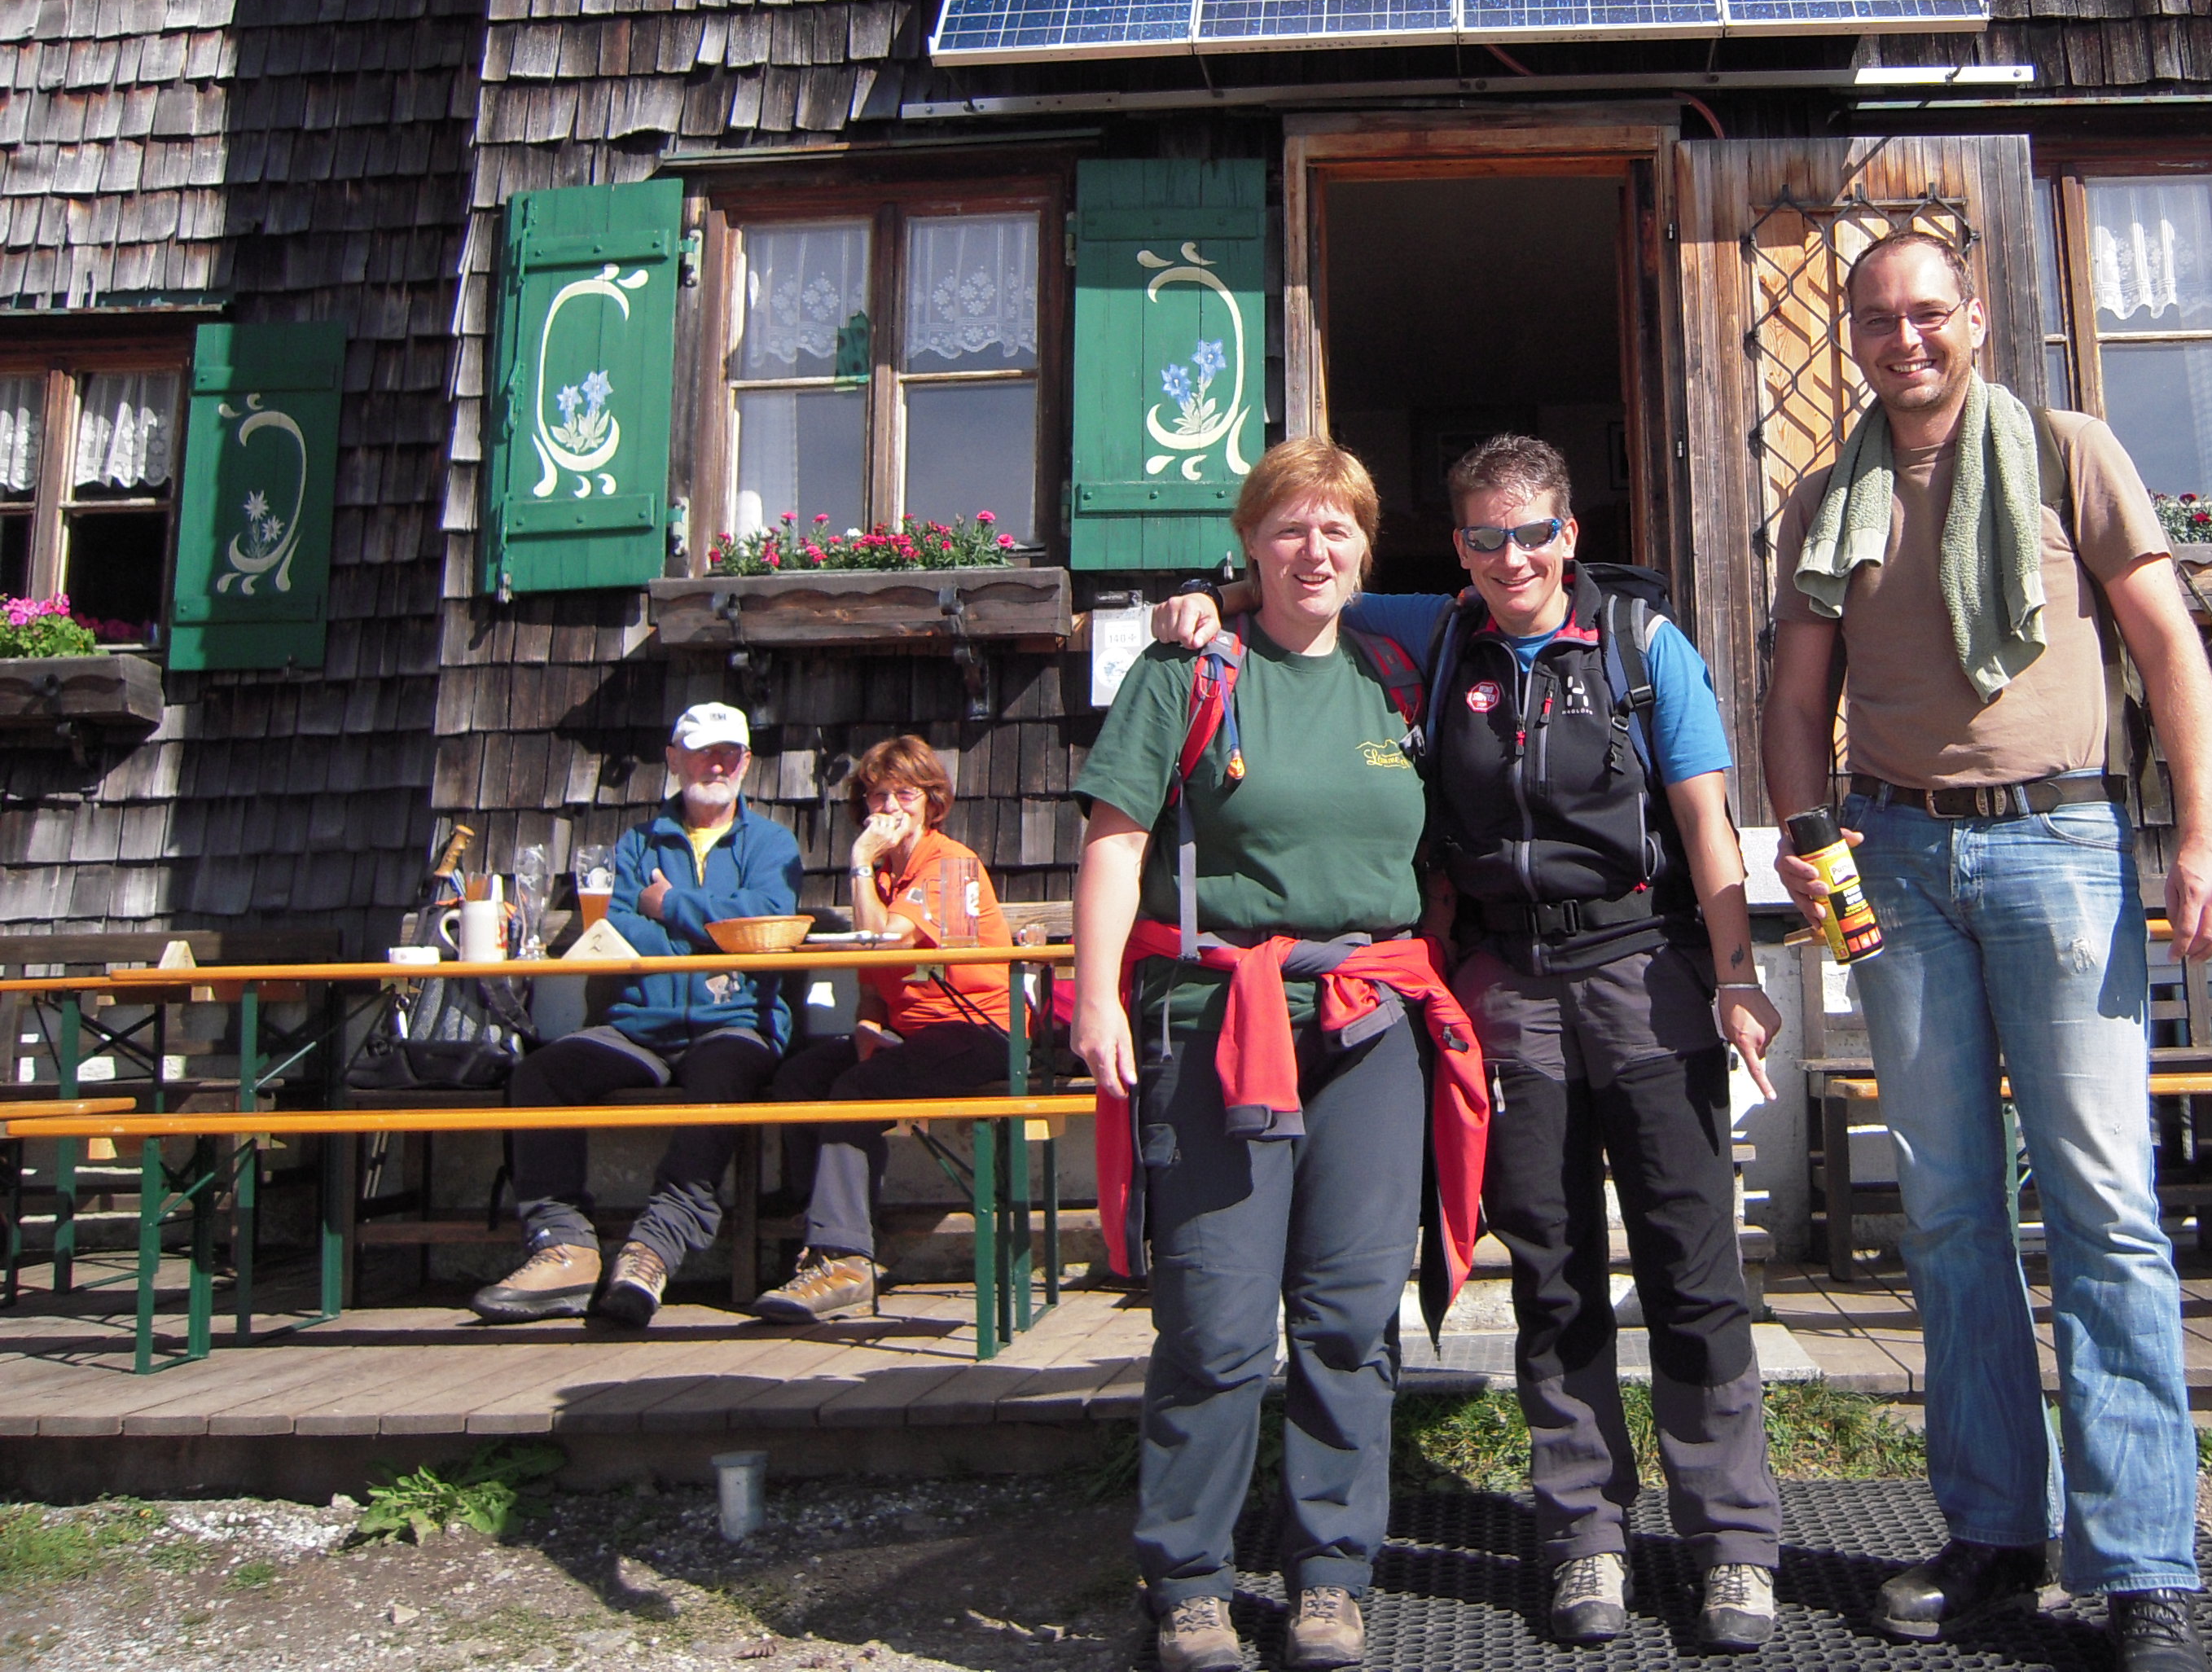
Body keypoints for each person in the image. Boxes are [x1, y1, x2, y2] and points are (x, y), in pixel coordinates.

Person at [1156, 433, 1788, 1652]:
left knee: (1690, 1265)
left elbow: (1709, 824)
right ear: (1459, 549)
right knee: (1553, 1274)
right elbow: (1307, 563)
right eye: (1486, 539)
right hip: (1509, 985)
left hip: (1647, 975)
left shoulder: (1645, 649)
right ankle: (1583, 1541)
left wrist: (1739, 976)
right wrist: (1210, 594)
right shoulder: (1441, 637)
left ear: (1571, 535)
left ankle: (1732, 1546)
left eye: (1533, 534)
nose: (1513, 559)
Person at [1763, 231, 2212, 1672]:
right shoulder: (1822, 499)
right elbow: (1797, 697)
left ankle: (2143, 1568)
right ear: (1849, 336)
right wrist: (1803, 823)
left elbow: (2167, 649)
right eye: (1876, 318)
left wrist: (2202, 838)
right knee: (1952, 1214)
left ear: (1972, 318)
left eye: (1926, 312)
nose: (1902, 337)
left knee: (2101, 1205)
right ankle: (1989, 1540)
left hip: (2064, 852)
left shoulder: (2062, 449)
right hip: (1895, 864)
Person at [1072, 437, 1487, 1672]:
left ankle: (1329, 1578)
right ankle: (1189, 1578)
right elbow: (1111, 839)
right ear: (1252, 544)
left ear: (1368, 548)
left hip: (1370, 1025)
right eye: (1290, 529)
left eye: (1340, 529)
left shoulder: (1398, 668)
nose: (1317, 549)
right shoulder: (1187, 668)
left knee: (1352, 1317)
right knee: (1212, 1319)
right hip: (1216, 1023)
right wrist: (1096, 996)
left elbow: (1518, 590)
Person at [471, 700, 806, 1328]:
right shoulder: (636, 842)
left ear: (747, 763)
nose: (718, 764)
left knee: (723, 1077)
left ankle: (653, 1247)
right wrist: (706, 928)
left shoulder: (773, 843)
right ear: (673, 759)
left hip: (734, 1022)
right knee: (540, 1074)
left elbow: (760, 923)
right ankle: (563, 1246)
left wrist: (670, 903)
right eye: (704, 752)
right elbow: (618, 929)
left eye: (730, 753)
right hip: (639, 1025)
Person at [755, 735, 1015, 1323]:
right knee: (800, 1076)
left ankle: (845, 1259)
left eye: (905, 794)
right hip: (914, 1034)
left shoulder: (947, 863)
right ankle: (819, 1229)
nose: (892, 808)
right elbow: (872, 979)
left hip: (981, 1031)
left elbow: (883, 941)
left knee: (855, 1093)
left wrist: (857, 863)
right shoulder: (880, 880)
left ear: (931, 802)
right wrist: (869, 1025)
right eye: (879, 796)